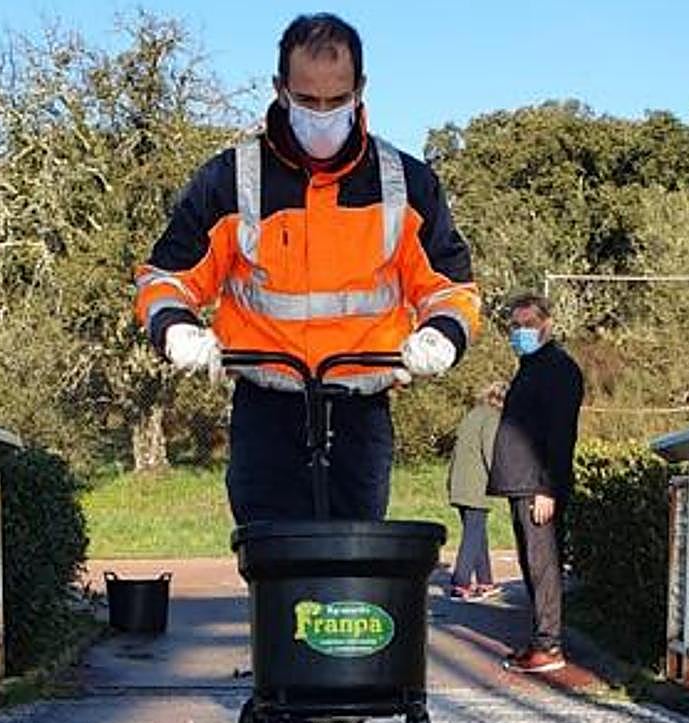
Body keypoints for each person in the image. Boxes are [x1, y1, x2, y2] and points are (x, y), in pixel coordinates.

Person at [134, 13, 480, 524]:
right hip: (266, 408)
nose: (323, 115)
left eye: (337, 100)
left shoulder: (406, 184)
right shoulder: (230, 180)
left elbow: (450, 287)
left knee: (355, 571)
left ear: (360, 90)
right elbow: (167, 279)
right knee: (272, 568)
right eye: (308, 100)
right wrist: (178, 331)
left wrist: (442, 336)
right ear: (280, 90)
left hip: (360, 408)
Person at [487, 293, 583, 673]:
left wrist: (548, 487)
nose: (520, 332)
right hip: (521, 481)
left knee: (543, 565)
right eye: (515, 326)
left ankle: (549, 644)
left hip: (536, 484)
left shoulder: (557, 369)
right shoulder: (531, 367)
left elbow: (561, 434)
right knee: (531, 565)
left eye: (527, 325)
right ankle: (540, 639)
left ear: (546, 325)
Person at [446, 381, 506, 600]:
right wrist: (502, 479)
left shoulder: (473, 414)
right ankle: (460, 583)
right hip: (476, 484)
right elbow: (490, 450)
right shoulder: (493, 417)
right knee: (473, 534)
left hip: (459, 481)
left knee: (477, 531)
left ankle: (485, 580)